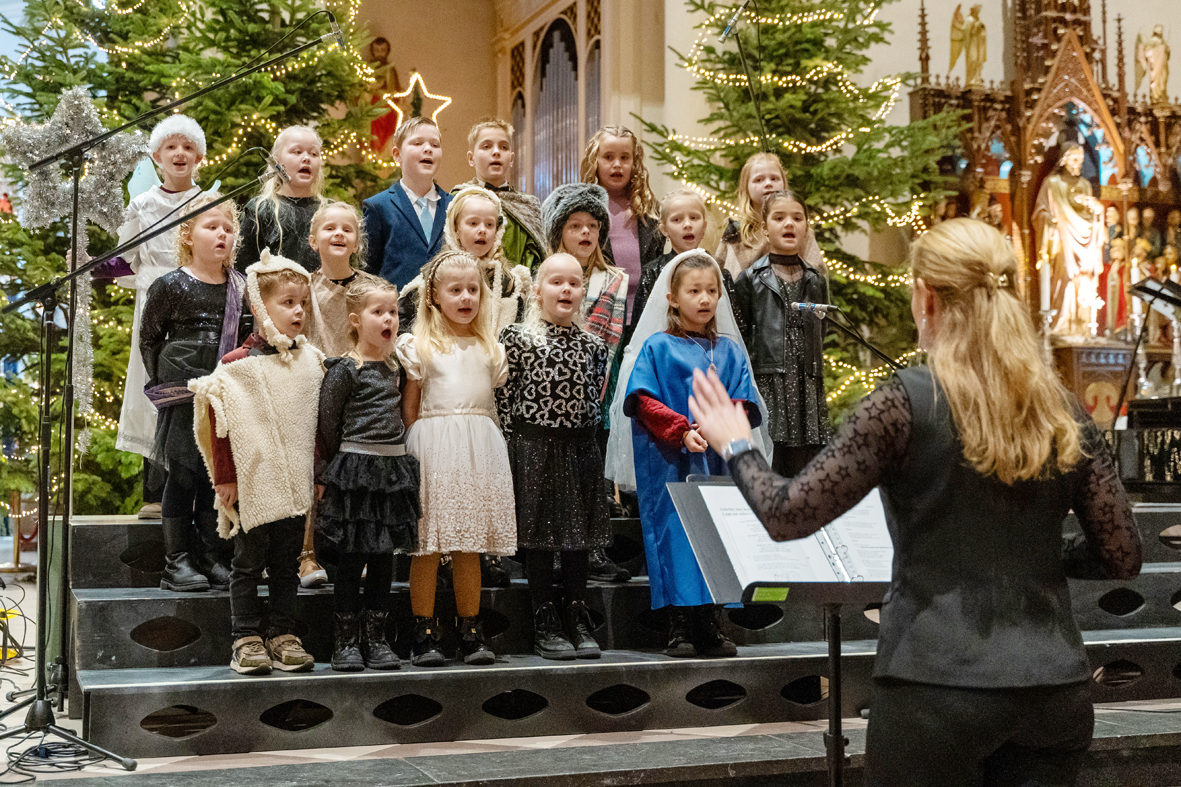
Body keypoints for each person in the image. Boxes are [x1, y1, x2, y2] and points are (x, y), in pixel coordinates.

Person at [687, 217, 1143, 787]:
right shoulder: (1062, 409)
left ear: (927, 298)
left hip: (935, 686)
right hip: (1052, 689)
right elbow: (1123, 555)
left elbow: (787, 514)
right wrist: (1040, 555)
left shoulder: (905, 404)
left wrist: (736, 445)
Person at [612, 250, 766, 658]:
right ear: (673, 297)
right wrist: (681, 431)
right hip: (672, 461)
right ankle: (680, 623)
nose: (704, 299)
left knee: (716, 536)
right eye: (694, 290)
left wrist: (718, 430)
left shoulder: (730, 351)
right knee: (677, 536)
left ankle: (711, 622)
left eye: (711, 291)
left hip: (718, 460)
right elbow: (642, 399)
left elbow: (745, 403)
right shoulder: (658, 347)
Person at [191, 251, 324, 675]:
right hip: (254, 483)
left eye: (302, 302)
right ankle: (245, 637)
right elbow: (222, 421)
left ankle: (283, 633)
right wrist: (226, 478)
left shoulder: (311, 362)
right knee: (247, 563)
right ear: (259, 307)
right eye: (287, 303)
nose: (298, 310)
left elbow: (316, 424)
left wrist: (318, 473)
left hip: (295, 485)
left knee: (286, 564)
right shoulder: (236, 366)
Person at [395, 250, 516, 667]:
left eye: (473, 290)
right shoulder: (418, 346)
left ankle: (470, 626)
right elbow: (410, 409)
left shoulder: (489, 348)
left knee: (470, 544)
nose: (466, 297)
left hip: (479, 447)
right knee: (426, 546)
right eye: (455, 290)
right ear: (433, 296)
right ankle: (424, 628)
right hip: (433, 445)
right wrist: (419, 447)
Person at [497, 254, 610, 660]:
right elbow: (505, 401)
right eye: (556, 282)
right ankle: (545, 617)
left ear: (583, 292)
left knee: (578, 540)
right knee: (542, 540)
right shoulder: (517, 339)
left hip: (580, 448)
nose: (566, 290)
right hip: (533, 448)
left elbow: (595, 398)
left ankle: (577, 614)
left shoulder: (595, 345)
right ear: (536, 290)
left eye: (574, 283)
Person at [139, 193, 250, 593]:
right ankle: (176, 562)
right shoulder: (170, 285)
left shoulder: (241, 287)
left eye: (228, 228)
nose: (222, 234)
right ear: (187, 235)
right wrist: (167, 384)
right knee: (183, 474)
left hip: (223, 391)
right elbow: (149, 338)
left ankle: (209, 555)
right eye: (211, 226)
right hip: (182, 390)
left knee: (211, 474)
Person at [316, 276, 420, 672]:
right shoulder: (346, 368)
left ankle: (376, 636)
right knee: (352, 556)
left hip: (392, 469)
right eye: (379, 312)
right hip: (356, 469)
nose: (388, 319)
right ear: (357, 320)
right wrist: (334, 470)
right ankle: (346, 639)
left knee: (383, 558)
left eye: (393, 312)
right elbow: (328, 422)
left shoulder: (397, 365)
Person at [107, 115, 206, 520]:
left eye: (187, 147)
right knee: (152, 388)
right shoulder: (143, 204)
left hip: (197, 307)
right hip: (154, 309)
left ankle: (195, 491)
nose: (179, 153)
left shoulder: (207, 203)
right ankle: (154, 492)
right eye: (171, 147)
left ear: (199, 156)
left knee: (191, 391)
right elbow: (124, 259)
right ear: (156, 156)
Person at [541, 182, 632, 582]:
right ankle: (553, 550)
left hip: (599, 387)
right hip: (552, 391)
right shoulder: (546, 274)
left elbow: (612, 342)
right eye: (575, 224)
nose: (584, 233)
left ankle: (592, 550)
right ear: (560, 230)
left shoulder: (615, 279)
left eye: (592, 225)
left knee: (591, 472)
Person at [732, 190, 830, 477]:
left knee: (806, 470)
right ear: (765, 228)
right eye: (779, 217)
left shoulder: (815, 280)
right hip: (769, 384)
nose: (789, 224)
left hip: (806, 387)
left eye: (797, 218)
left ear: (806, 227)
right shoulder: (751, 279)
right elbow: (741, 335)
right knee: (771, 466)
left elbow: (821, 331)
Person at [399, 185, 531, 336]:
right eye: (473, 223)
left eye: (489, 224)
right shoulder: (433, 277)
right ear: (455, 228)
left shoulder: (510, 284)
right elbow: (403, 324)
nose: (482, 230)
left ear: (498, 231)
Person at [580, 125, 665, 326]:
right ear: (595, 161)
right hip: (598, 315)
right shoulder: (582, 207)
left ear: (634, 163)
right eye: (608, 157)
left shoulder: (650, 209)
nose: (617, 164)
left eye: (625, 158)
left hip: (645, 315)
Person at [364, 117, 453, 289]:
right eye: (417, 143)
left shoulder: (454, 205)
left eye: (435, 145)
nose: (428, 149)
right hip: (395, 312)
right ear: (397, 155)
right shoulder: (378, 206)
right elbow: (369, 272)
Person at [456, 118, 546, 272]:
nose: (496, 152)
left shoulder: (528, 205)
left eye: (503, 147)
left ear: (511, 159)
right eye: (486, 146)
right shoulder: (458, 198)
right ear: (471, 158)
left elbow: (536, 259)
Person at [716, 153, 824, 277]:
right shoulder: (736, 233)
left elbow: (818, 274)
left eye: (774, 179)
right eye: (759, 180)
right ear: (746, 187)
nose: (768, 184)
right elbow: (721, 276)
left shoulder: (798, 230)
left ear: (784, 183)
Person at [237, 126, 326, 273]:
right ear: (276, 160)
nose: (306, 158)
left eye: (314, 154)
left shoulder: (328, 211)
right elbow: (242, 269)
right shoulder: (259, 209)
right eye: (297, 152)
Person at [304, 201, 385, 358]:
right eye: (330, 228)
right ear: (313, 242)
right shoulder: (303, 288)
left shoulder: (374, 288)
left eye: (347, 230)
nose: (339, 233)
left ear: (356, 244)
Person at [634, 189, 711, 320]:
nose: (687, 225)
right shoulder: (653, 273)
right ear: (664, 230)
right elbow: (642, 324)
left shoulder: (718, 270)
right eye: (677, 219)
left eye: (694, 218)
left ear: (704, 226)